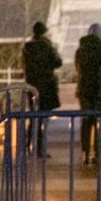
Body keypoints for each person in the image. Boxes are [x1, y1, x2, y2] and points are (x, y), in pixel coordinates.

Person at [73, 23, 101, 166]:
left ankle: (85, 153)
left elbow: (78, 68)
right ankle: (98, 154)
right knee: (100, 122)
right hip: (100, 92)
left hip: (85, 91)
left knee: (86, 122)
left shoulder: (80, 51)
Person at [21, 20, 61, 153]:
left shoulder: (27, 47)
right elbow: (57, 62)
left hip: (32, 86)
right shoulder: (47, 46)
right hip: (46, 86)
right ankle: (40, 147)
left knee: (34, 116)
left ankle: (28, 144)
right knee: (43, 117)